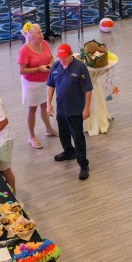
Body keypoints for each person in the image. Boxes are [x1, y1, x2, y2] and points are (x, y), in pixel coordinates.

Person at [46, 44, 93, 180]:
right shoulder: (56, 66)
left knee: (78, 137)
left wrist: (87, 108)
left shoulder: (80, 68)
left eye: (64, 58)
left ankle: (83, 164)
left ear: (70, 54)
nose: (62, 61)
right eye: (59, 58)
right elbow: (50, 85)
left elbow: (88, 89)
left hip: (75, 109)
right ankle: (68, 151)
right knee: (64, 133)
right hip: (61, 108)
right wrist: (49, 104)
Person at [17, 22, 57, 149]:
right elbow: (22, 71)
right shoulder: (24, 50)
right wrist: (38, 69)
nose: (42, 34)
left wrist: (50, 65)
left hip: (45, 81)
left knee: (45, 105)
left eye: (41, 32)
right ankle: (31, 136)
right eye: (39, 33)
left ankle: (49, 128)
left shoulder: (44, 43)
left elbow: (51, 58)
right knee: (32, 109)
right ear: (31, 36)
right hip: (31, 84)